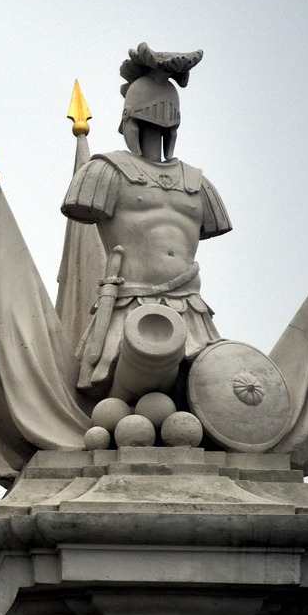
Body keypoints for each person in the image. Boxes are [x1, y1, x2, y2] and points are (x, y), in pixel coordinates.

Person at [61, 43, 231, 396]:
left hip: (190, 308)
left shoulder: (198, 184)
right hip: (130, 304)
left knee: (205, 394)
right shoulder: (104, 172)